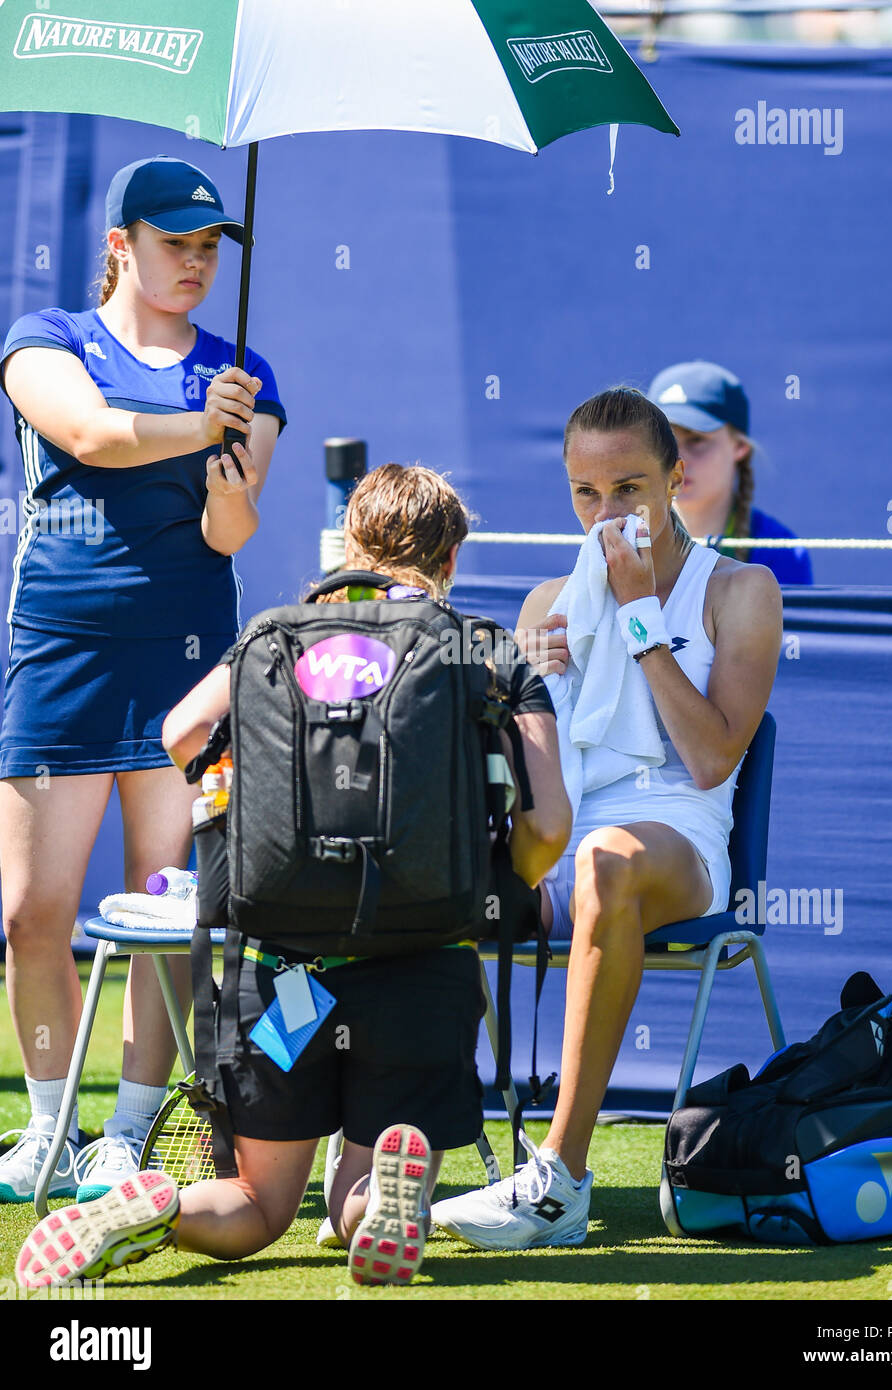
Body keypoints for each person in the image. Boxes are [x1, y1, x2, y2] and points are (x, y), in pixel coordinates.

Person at [15, 463, 572, 1291]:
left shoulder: (275, 637)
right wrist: (507, 876)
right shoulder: (484, 650)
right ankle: (389, 1184)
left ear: (349, 544)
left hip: (276, 970)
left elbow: (181, 732)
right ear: (450, 560)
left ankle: (162, 1203)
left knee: (259, 1201)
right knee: (350, 1200)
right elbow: (548, 826)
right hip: (421, 964)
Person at [429, 387, 783, 1250]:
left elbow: (709, 760)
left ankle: (560, 1183)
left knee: (606, 864)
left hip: (679, 837)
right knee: (428, 878)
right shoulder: (549, 600)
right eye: (587, 494)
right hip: (564, 830)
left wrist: (637, 622)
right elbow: (527, 781)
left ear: (674, 479)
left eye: (628, 488)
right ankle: (387, 1161)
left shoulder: (743, 590)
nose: (608, 512)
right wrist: (529, 699)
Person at [0, 156, 285, 1205]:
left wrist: (236, 472)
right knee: (35, 910)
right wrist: (203, 423)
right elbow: (89, 434)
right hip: (59, 657)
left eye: (211, 246)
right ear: (121, 244)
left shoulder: (243, 375)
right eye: (177, 243)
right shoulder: (45, 338)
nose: (198, 262)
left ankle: (126, 1131)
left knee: (164, 914)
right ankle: (46, 1127)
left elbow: (231, 531)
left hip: (187, 670)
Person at [647, 360, 812, 585]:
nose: (677, 459)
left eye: (696, 439)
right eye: (665, 439)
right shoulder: (623, 539)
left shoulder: (781, 552)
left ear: (739, 448)